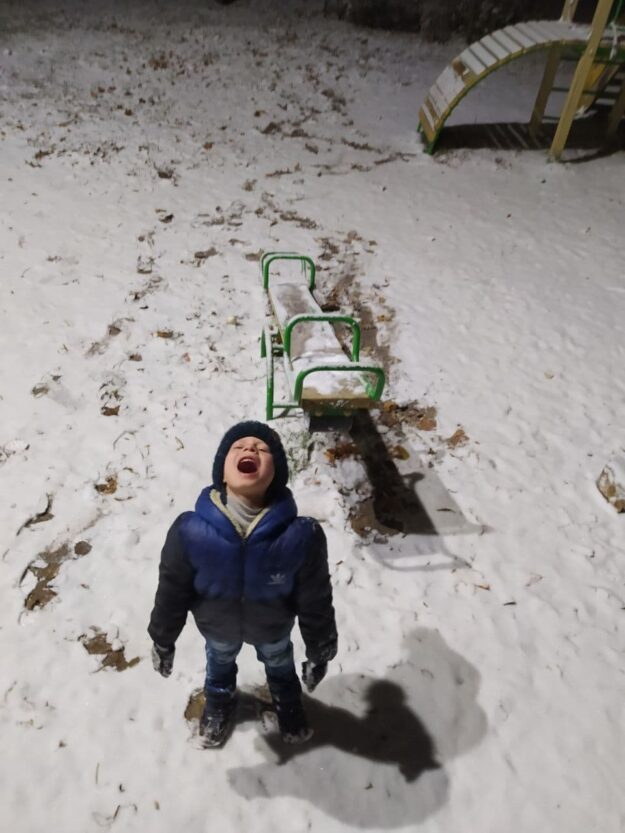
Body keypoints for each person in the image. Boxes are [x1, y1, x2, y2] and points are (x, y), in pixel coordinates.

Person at [148, 420, 338, 748]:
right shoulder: (190, 532)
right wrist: (163, 638)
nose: (249, 448)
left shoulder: (300, 536)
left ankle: (288, 703)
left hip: (273, 629)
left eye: (262, 449)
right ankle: (220, 702)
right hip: (217, 628)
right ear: (222, 473)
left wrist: (319, 650)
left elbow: (315, 599)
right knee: (219, 665)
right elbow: (172, 591)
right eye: (237, 447)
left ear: (275, 476)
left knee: (280, 666)